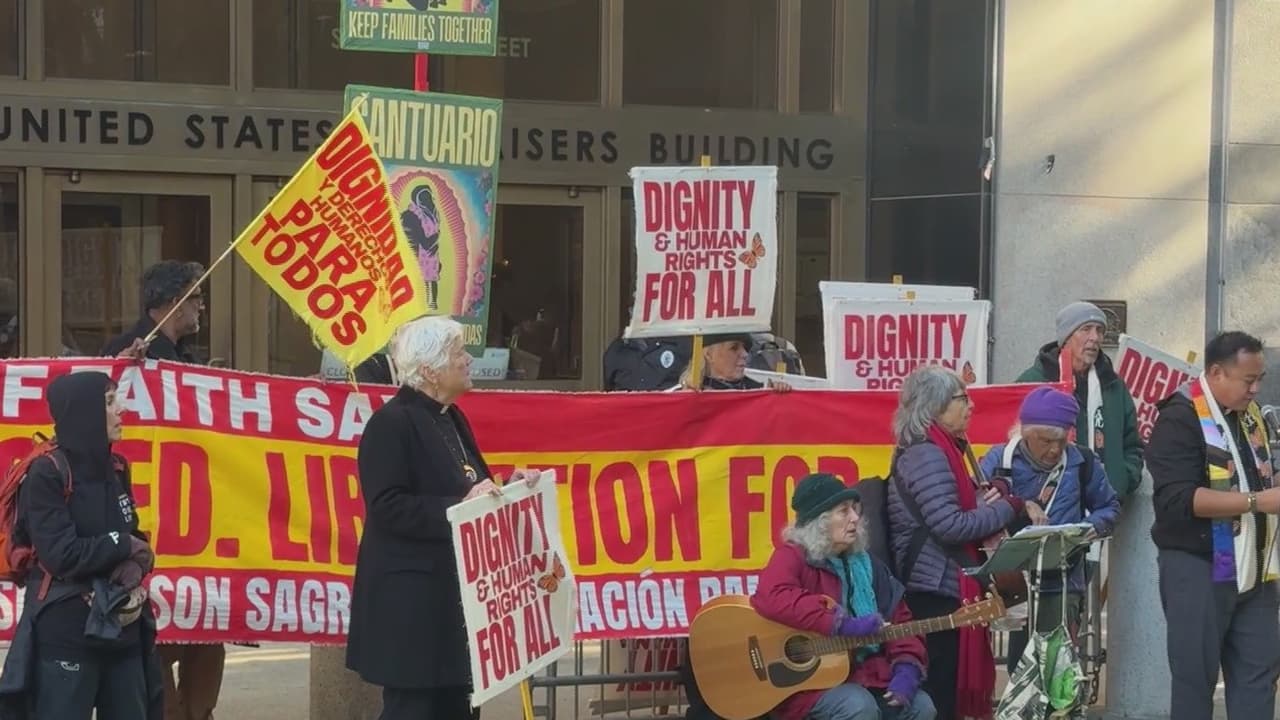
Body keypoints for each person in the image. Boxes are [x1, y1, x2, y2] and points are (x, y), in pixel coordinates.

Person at [346, 315, 541, 719]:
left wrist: (509, 487)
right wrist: (458, 506)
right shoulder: (391, 423)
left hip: (453, 599)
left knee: (460, 707)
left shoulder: (451, 416)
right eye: (458, 353)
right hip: (412, 605)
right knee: (414, 711)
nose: (469, 360)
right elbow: (387, 507)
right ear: (430, 370)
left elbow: (469, 486)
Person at [0, 371, 163, 718]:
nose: (121, 409)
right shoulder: (46, 472)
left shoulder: (117, 467)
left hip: (122, 628)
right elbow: (63, 555)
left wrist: (135, 566)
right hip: (67, 632)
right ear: (84, 411)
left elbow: (135, 537)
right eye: (109, 402)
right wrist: (123, 546)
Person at [101, 259, 224, 720]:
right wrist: (121, 366)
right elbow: (99, 411)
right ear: (173, 303)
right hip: (150, 522)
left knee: (207, 638)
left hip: (191, 524)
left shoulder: (186, 359)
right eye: (196, 297)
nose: (202, 307)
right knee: (155, 644)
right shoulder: (124, 354)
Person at [887, 365, 1042, 720]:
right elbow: (951, 525)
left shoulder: (940, 448)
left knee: (946, 691)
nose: (971, 406)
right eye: (962, 398)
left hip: (940, 582)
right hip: (933, 589)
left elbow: (956, 509)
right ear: (935, 405)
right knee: (941, 692)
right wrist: (1009, 506)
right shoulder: (927, 454)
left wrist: (990, 495)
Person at [1147, 331, 1280, 720]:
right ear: (1217, 372)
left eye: (1260, 379)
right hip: (1200, 567)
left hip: (1256, 570)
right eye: (1248, 380)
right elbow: (1177, 500)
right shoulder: (1180, 417)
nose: (1256, 389)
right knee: (1195, 681)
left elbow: (1258, 476)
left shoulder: (1251, 416)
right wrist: (1258, 502)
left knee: (1259, 676)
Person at [749, 472, 934, 720]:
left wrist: (906, 667)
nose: (855, 518)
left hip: (868, 674)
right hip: (810, 685)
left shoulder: (870, 565)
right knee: (858, 705)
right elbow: (772, 597)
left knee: (921, 706)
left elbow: (900, 620)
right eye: (844, 511)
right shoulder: (792, 556)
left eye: (854, 509)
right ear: (819, 521)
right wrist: (840, 623)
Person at [978, 386, 1121, 674]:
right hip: (1012, 584)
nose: (1055, 449)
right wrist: (1019, 505)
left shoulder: (1081, 462)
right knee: (1020, 666)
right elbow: (975, 506)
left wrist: (1086, 530)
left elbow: (1109, 507)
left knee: (1058, 667)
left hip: (1064, 581)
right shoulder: (999, 460)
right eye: (1045, 441)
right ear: (1025, 433)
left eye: (1061, 440)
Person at [1015, 301, 1142, 500]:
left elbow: (1132, 443)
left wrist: (1124, 479)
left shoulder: (1113, 385)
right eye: (1086, 329)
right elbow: (1015, 443)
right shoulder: (1034, 382)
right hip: (1049, 504)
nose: (1095, 337)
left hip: (1105, 504)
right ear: (1066, 337)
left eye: (1099, 330)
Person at [102, 260, 205, 364]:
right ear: (178, 305)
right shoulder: (125, 351)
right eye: (197, 298)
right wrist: (122, 368)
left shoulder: (187, 355)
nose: (202, 307)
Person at [669, 333, 792, 392]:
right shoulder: (682, 393)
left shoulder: (759, 391)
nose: (745, 354)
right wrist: (683, 406)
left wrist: (778, 398)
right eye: (734, 348)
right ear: (709, 355)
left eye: (744, 348)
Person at [602, 334, 692, 391]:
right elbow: (610, 394)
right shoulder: (616, 351)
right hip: (631, 411)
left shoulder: (682, 341)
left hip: (671, 410)